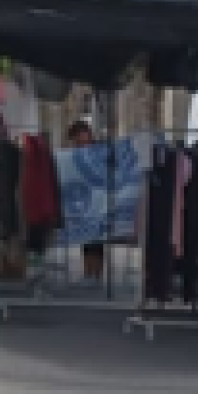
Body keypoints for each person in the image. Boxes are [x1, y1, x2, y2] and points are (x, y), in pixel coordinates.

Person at [68, 119, 107, 281]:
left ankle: (96, 271)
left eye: (80, 138)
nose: (79, 142)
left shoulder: (98, 151)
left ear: (88, 135)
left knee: (97, 238)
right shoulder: (75, 153)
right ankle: (88, 270)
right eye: (76, 140)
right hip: (83, 199)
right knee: (86, 238)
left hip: (98, 199)